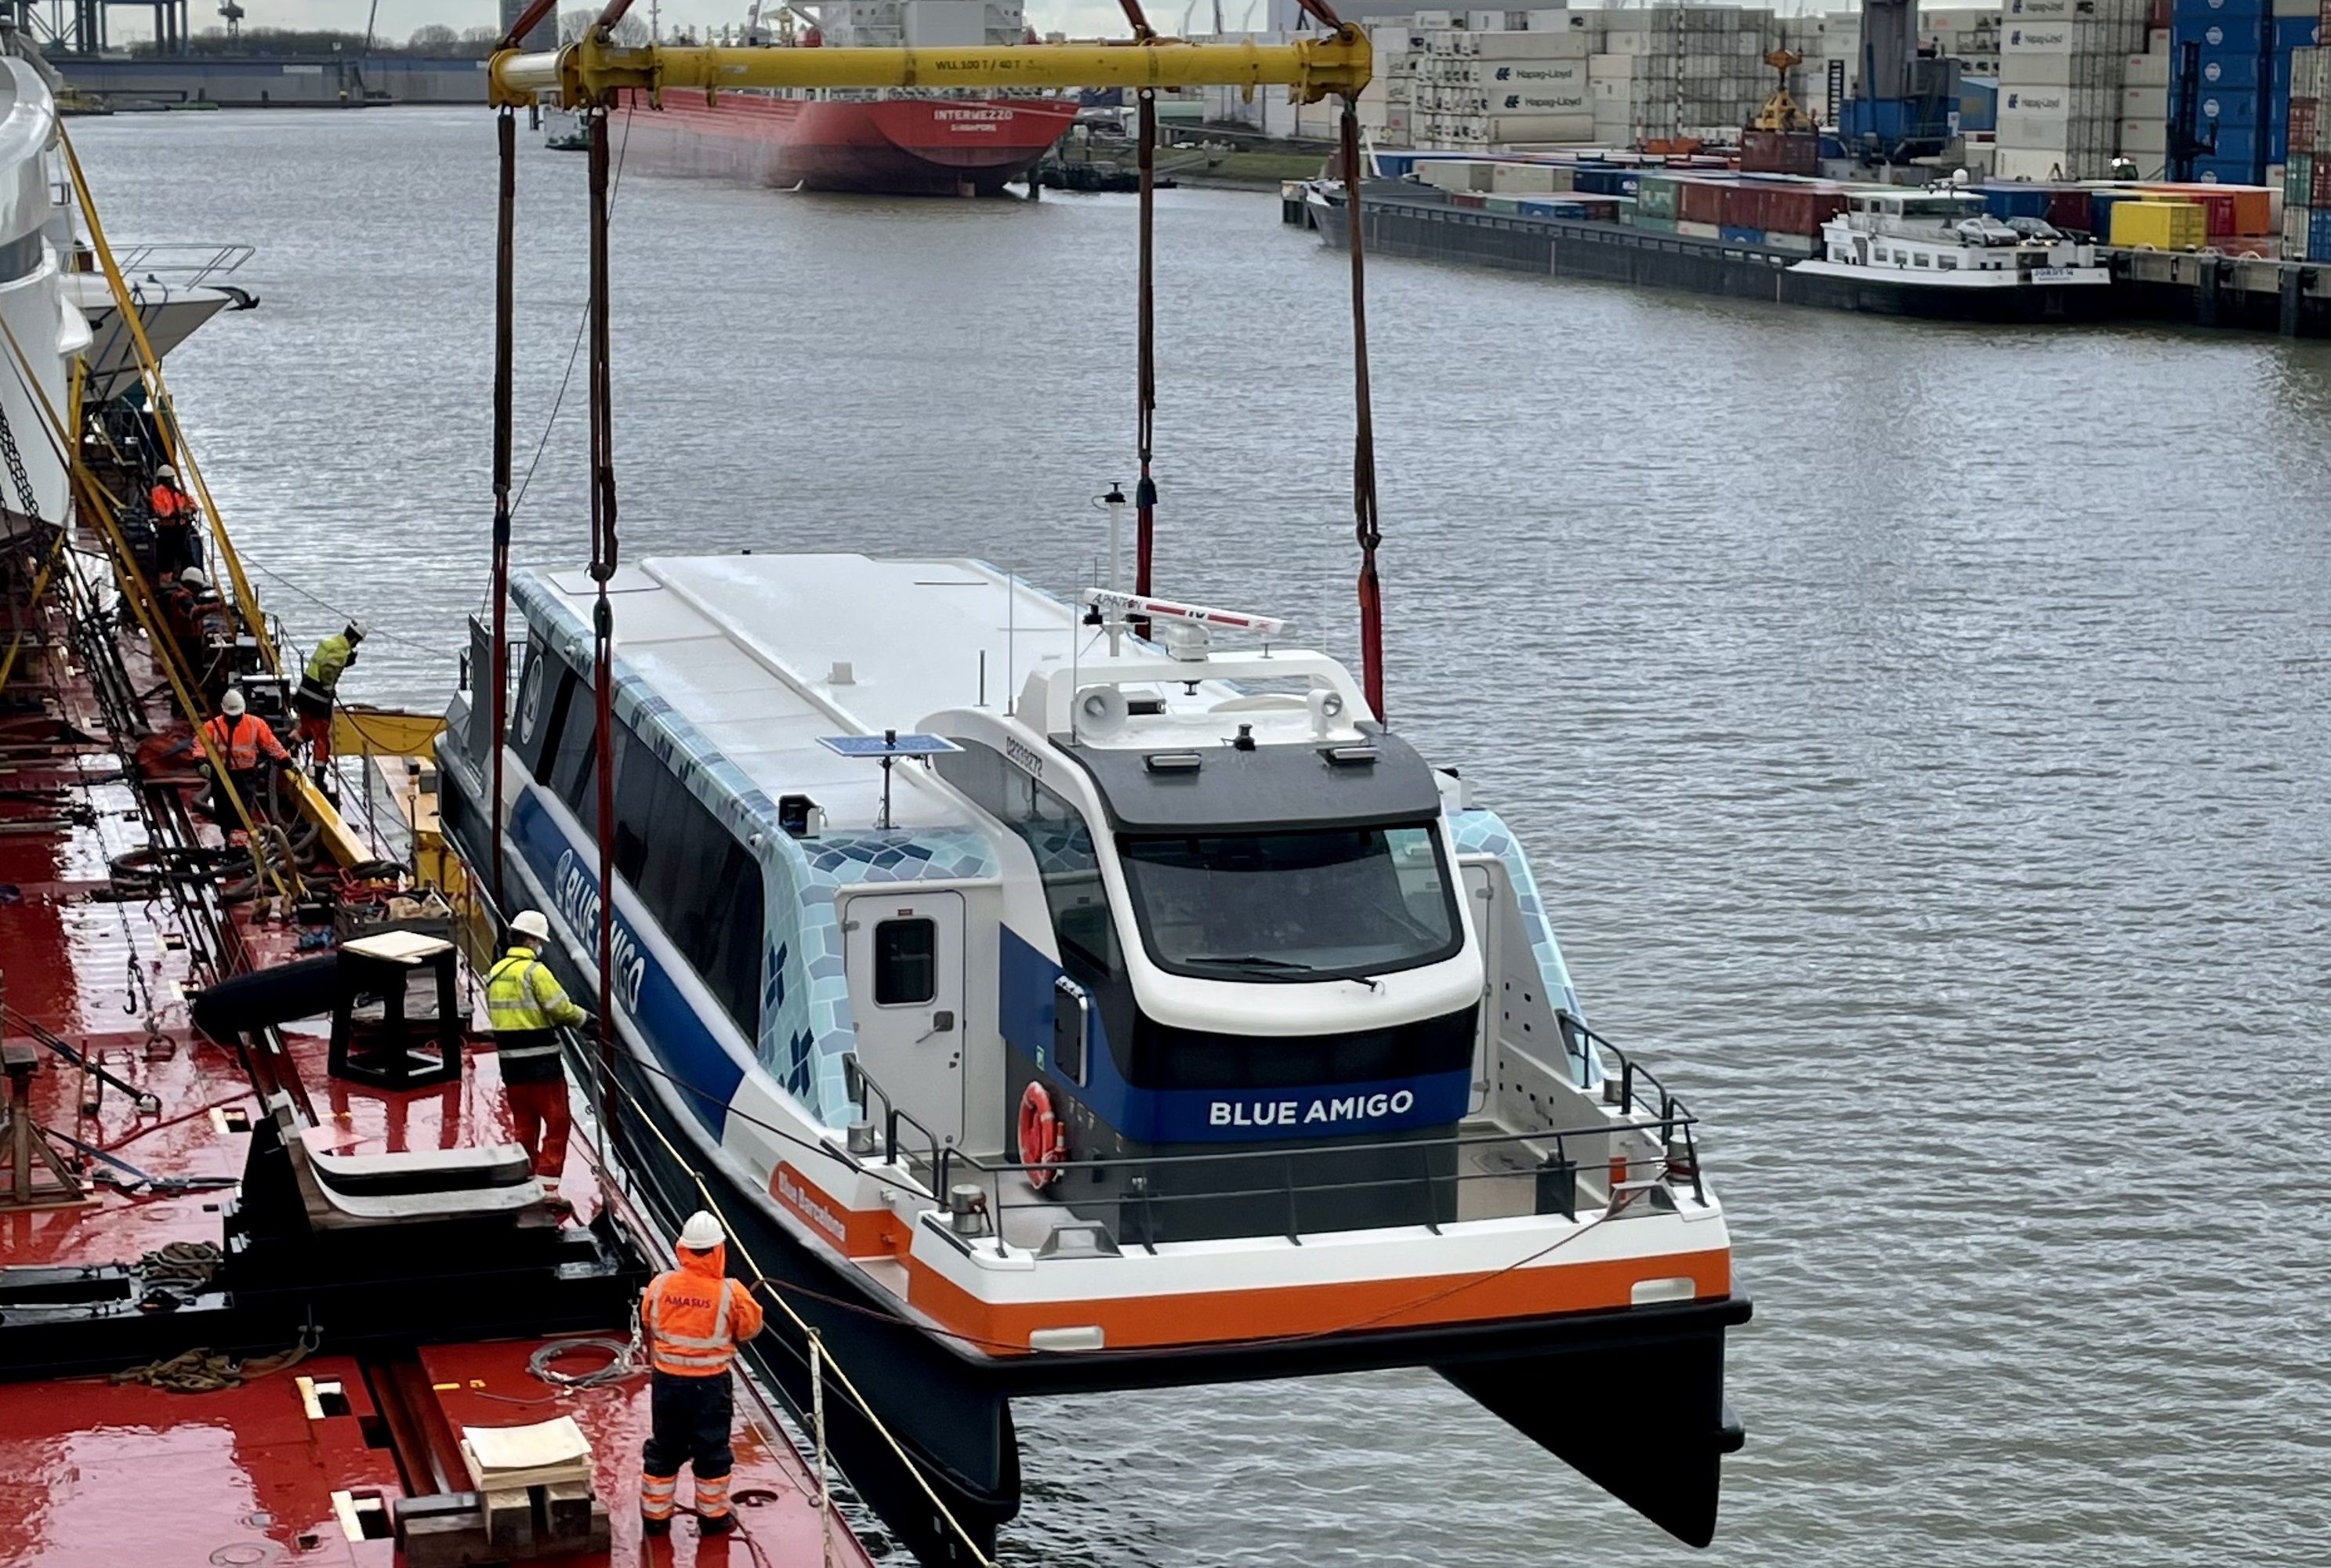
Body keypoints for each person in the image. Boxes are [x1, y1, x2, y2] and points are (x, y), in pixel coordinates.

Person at [639, 1211, 764, 1537]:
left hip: (666, 1384)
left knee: (664, 1447)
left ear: (683, 1248)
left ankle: (655, 1517)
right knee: (711, 1449)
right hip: (709, 1387)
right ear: (719, 1250)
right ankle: (713, 1517)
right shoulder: (732, 1293)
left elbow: (648, 1319)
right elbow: (749, 1329)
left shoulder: (661, 1284)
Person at [484, 910, 585, 1209]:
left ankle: (525, 1180)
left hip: (512, 1070)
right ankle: (549, 1191)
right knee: (557, 1125)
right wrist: (588, 1022)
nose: (540, 946)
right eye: (539, 941)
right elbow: (561, 1009)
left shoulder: (496, 973)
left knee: (524, 1126)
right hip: (543, 1067)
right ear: (530, 940)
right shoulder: (534, 972)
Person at [198, 687, 292, 824]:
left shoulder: (255, 724)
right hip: (221, 776)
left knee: (243, 813)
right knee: (224, 812)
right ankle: (230, 835)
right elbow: (200, 742)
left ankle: (238, 839)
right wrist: (199, 760)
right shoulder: (213, 726)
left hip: (245, 777)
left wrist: (283, 758)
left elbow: (271, 743)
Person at [294, 620, 366, 774]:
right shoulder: (342, 652)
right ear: (355, 640)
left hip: (304, 693)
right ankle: (319, 779)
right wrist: (328, 688)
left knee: (306, 729)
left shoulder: (329, 643)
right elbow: (327, 670)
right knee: (322, 739)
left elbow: (321, 664)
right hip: (317, 700)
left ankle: (287, 747)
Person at [148, 464, 196, 578]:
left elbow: (192, 504)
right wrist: (174, 513)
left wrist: (189, 510)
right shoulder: (158, 492)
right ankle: (166, 581)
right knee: (166, 557)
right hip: (167, 529)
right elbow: (161, 511)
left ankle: (187, 577)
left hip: (181, 528)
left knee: (186, 555)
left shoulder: (178, 492)